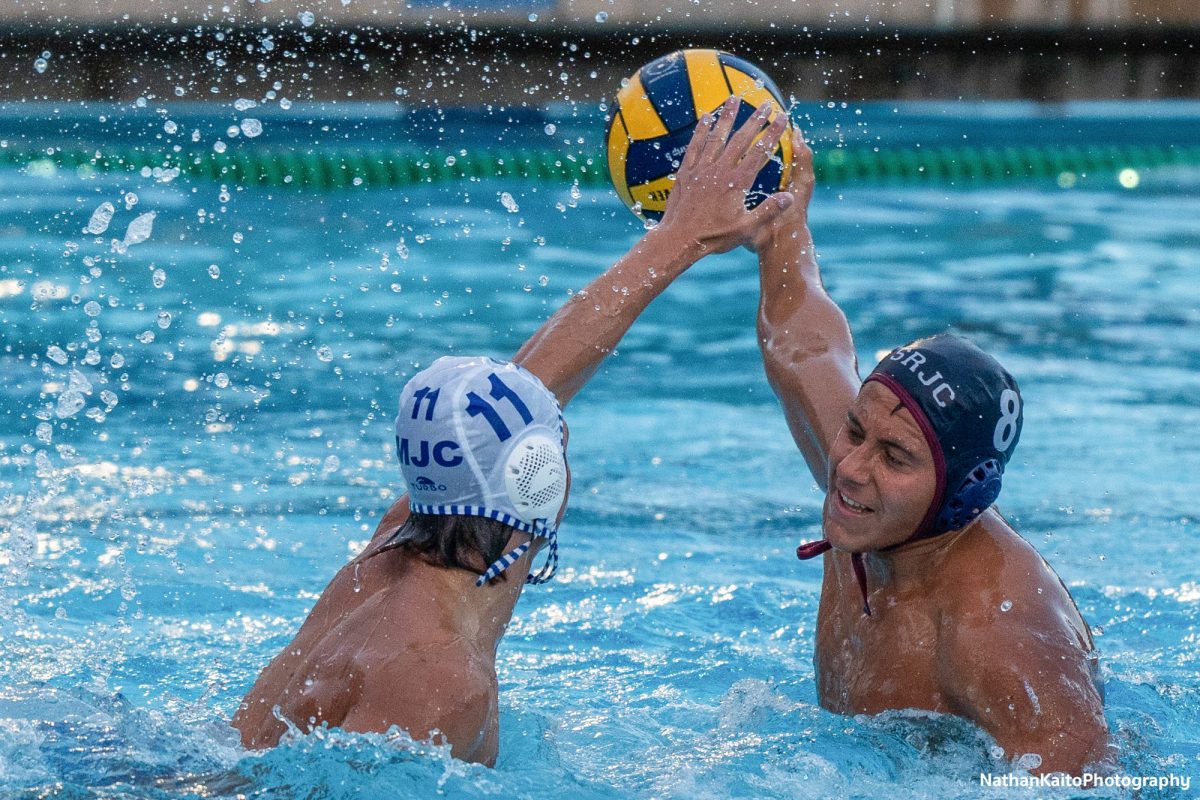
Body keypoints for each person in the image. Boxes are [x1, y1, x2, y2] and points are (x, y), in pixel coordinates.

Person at [231, 97, 794, 765]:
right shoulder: (441, 681)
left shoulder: (395, 549)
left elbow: (528, 383)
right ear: (538, 482)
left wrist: (680, 238)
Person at [750, 129, 1109, 775]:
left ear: (959, 495)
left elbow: (1100, 786)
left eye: (895, 457)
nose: (850, 469)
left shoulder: (996, 634)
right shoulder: (874, 500)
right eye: (856, 431)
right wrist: (781, 219)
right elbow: (804, 348)